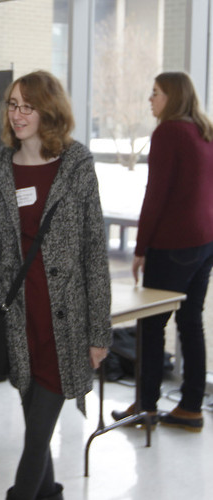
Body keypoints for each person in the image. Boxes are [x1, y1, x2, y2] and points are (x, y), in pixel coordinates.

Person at [0, 70, 112, 500]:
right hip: (20, 318)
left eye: (28, 106)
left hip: (66, 321)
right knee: (35, 419)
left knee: (37, 435)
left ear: (49, 111)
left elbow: (95, 251)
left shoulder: (77, 165)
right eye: (13, 104)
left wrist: (99, 331)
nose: (18, 114)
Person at [112, 72, 213, 433]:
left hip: (174, 245)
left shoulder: (169, 133)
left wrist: (140, 249)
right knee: (190, 322)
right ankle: (190, 407)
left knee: (151, 325)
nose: (149, 99)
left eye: (155, 93)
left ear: (172, 96)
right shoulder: (204, 132)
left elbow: (156, 195)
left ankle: (146, 406)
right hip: (204, 244)